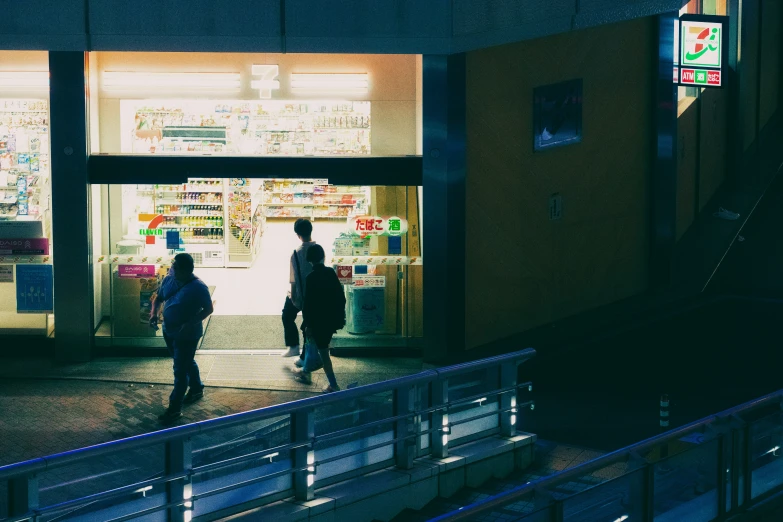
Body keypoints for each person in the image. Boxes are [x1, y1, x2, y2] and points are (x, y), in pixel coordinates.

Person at [150, 253, 214, 424]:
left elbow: (208, 309)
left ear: (186, 270)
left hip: (187, 335)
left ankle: (174, 408)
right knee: (185, 361)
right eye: (173, 265)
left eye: (176, 267)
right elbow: (159, 298)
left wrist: (191, 322)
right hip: (168, 331)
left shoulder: (199, 287)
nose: (172, 269)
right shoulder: (169, 279)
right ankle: (196, 389)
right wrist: (153, 313)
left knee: (180, 370)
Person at [293, 244, 346, 393]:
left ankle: (333, 385)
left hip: (317, 323)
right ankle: (305, 371)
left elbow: (308, 305)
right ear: (323, 256)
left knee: (322, 353)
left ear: (309, 260)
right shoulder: (330, 273)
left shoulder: (310, 278)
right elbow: (341, 298)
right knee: (315, 347)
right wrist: (339, 316)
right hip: (329, 321)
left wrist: (309, 324)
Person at [281, 218, 317, 362]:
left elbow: (293, 279)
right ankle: (305, 356)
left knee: (287, 315)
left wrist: (293, 297)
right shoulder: (319, 249)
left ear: (297, 234)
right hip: (316, 295)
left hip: (301, 295)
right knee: (308, 325)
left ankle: (293, 346)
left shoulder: (296, 253)